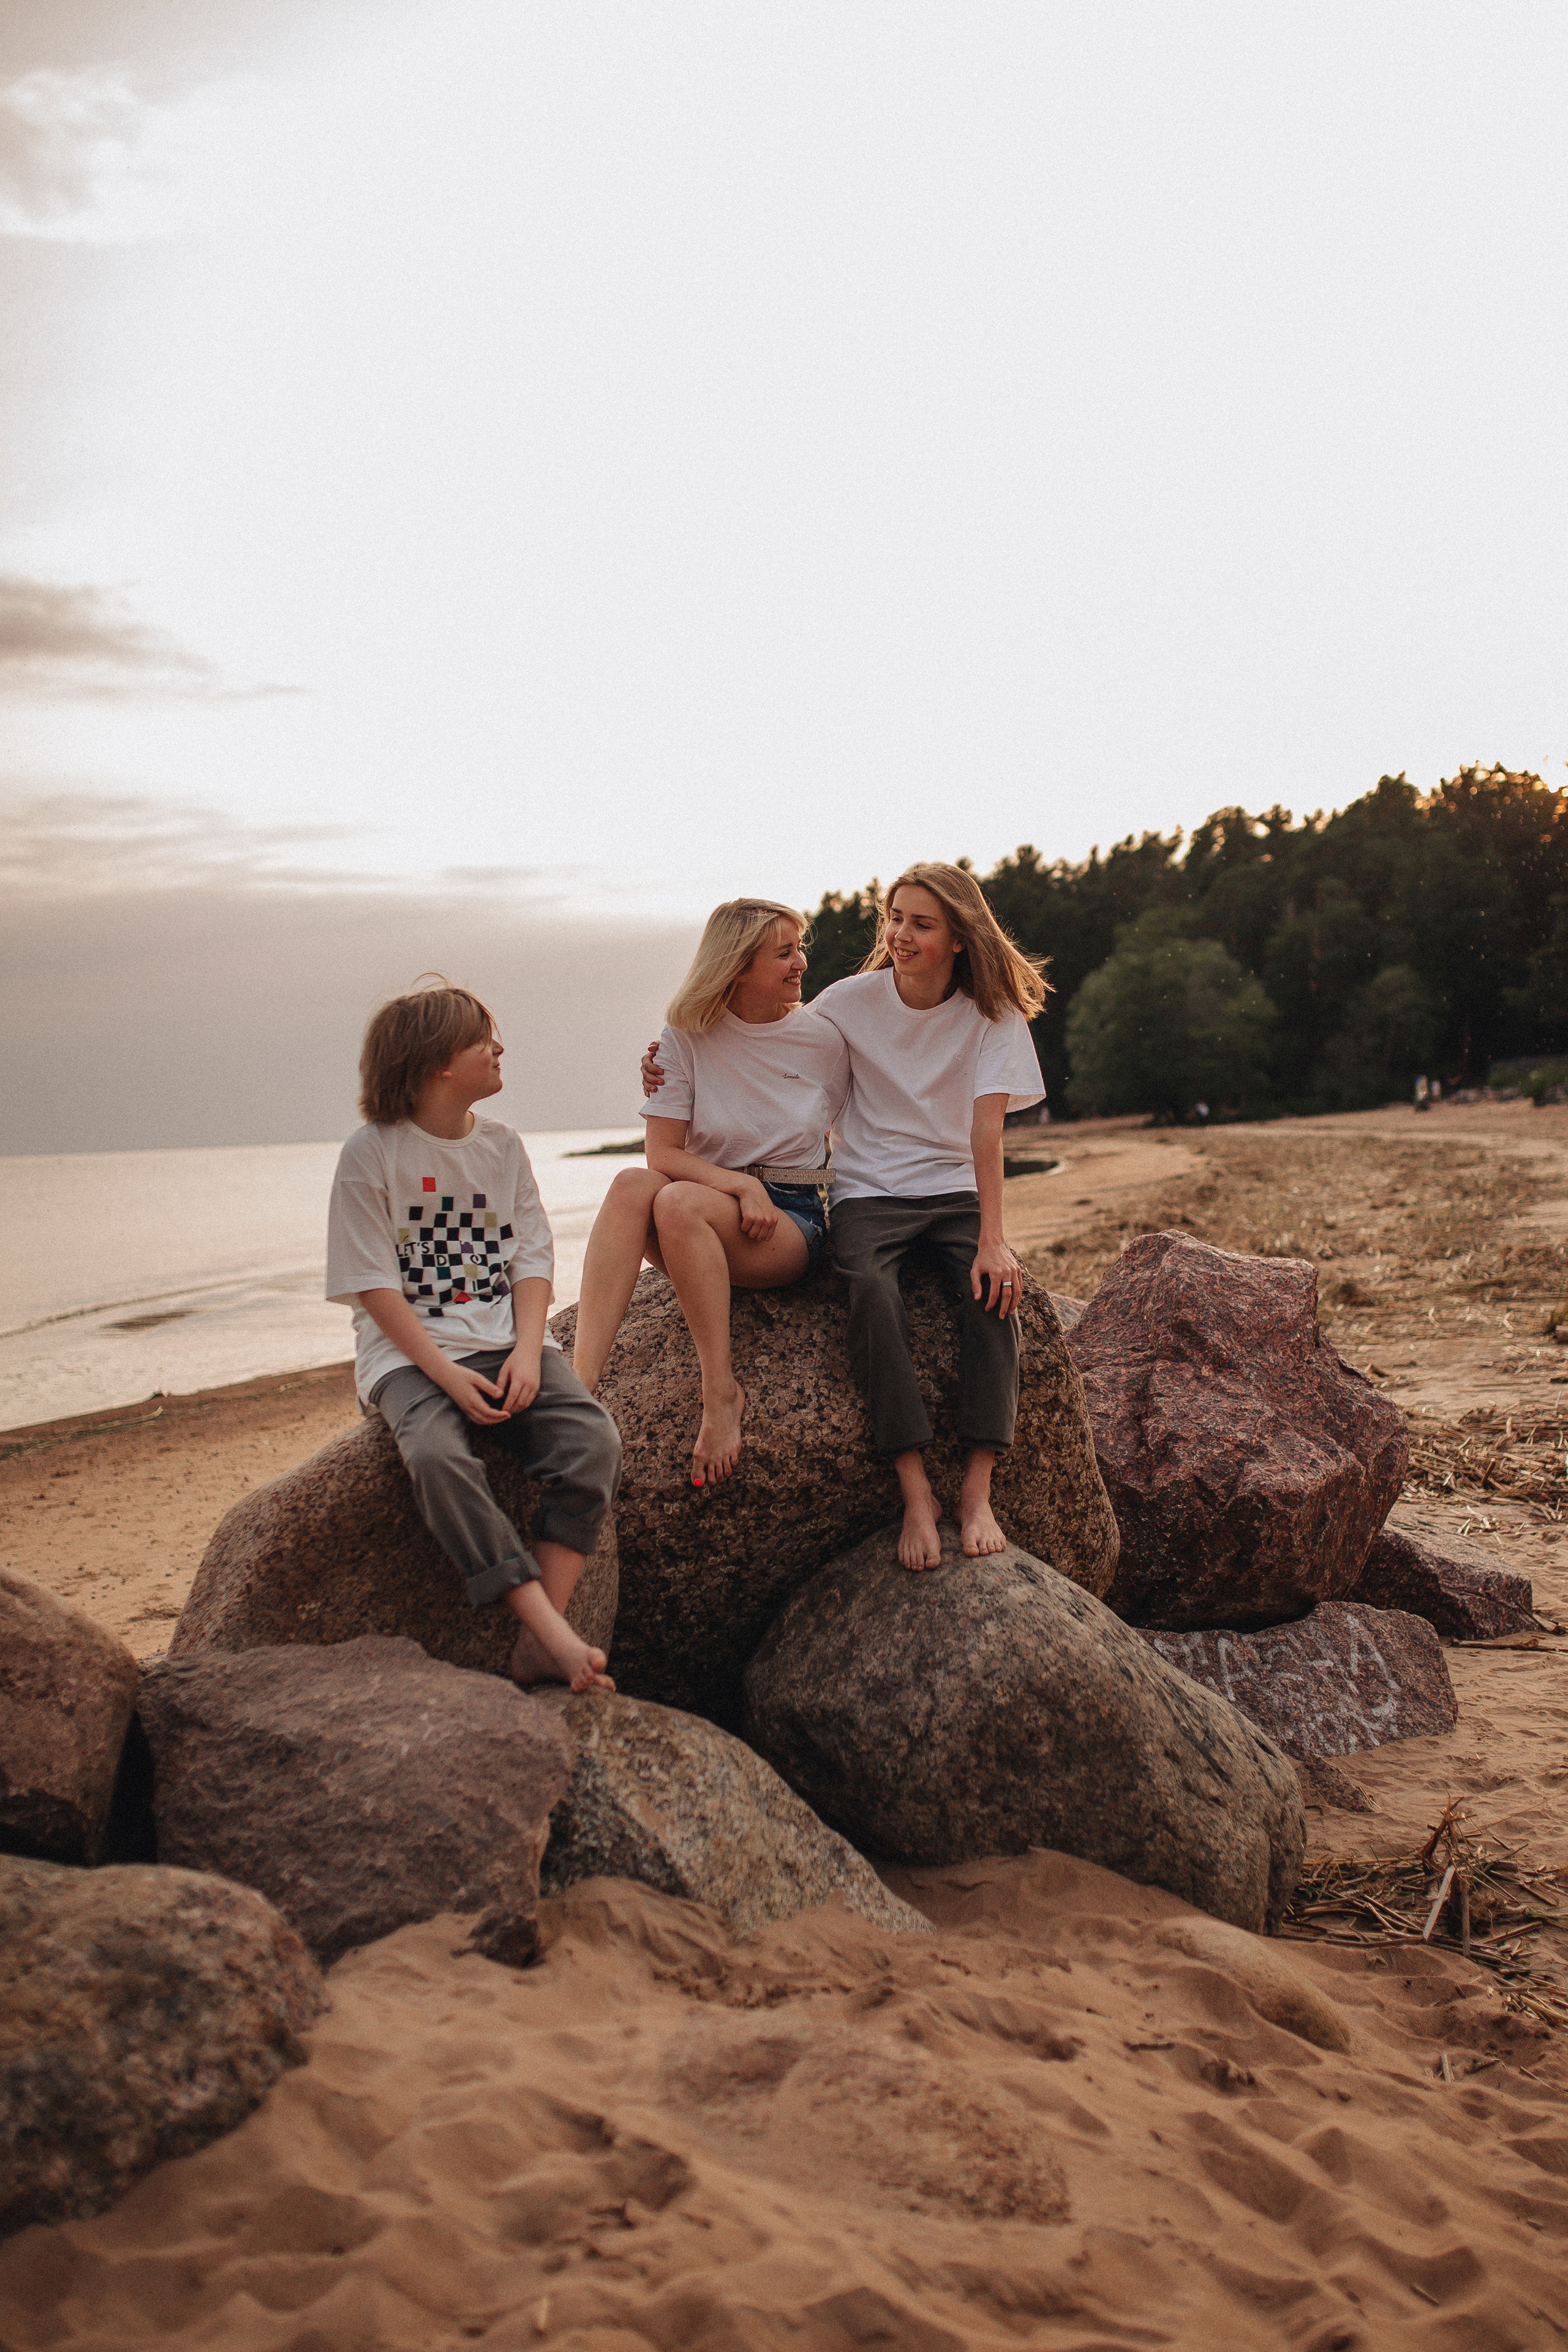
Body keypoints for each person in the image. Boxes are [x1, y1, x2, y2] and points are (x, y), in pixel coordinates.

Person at [644, 864, 1048, 1572]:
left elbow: (987, 1133)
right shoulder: (846, 1003)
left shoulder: (993, 1014)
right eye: (894, 918)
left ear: (958, 936)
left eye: (920, 923)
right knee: (869, 1290)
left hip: (955, 1185)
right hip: (868, 1189)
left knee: (994, 1297)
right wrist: (663, 1062)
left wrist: (994, 1240)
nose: (899, 935)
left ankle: (978, 1490)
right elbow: (757, 1033)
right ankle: (916, 1491)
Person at [326, 979, 620, 1692]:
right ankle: (553, 1632)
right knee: (437, 1458)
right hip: (407, 1358)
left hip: (504, 1338)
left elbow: (531, 1260)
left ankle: (535, 1640)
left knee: (593, 1443)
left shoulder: (503, 1147)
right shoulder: (372, 1154)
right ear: (436, 1064)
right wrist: (447, 1376)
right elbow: (373, 1285)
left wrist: (527, 1349)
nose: (499, 1048)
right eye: (481, 1038)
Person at [571, 899, 848, 1488]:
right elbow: (662, 1155)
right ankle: (580, 1388)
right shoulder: (685, 1035)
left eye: (801, 949)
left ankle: (720, 1392)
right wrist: (738, 1183)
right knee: (631, 1185)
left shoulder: (826, 1039)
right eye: (784, 953)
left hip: (789, 1219)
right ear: (737, 965)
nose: (800, 963)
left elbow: (882, 1108)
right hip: (708, 1202)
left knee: (674, 1201)